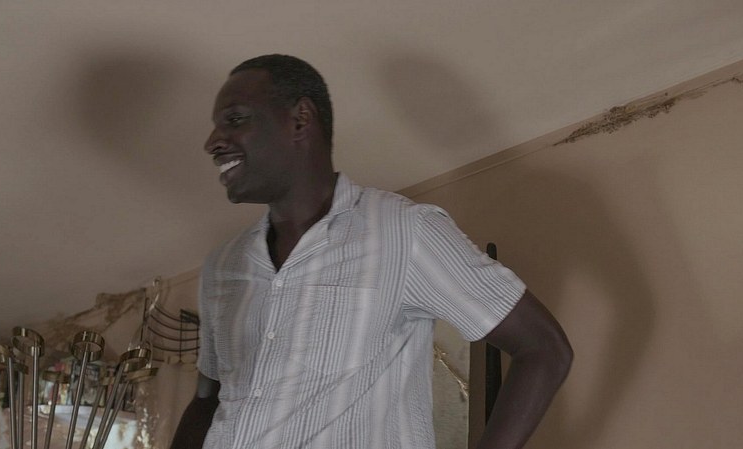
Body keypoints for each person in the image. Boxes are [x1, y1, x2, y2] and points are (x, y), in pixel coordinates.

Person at [171, 55, 572, 449]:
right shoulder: (223, 266)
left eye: (235, 119)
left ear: (300, 120)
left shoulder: (404, 231)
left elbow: (543, 348)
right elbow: (208, 400)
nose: (212, 142)